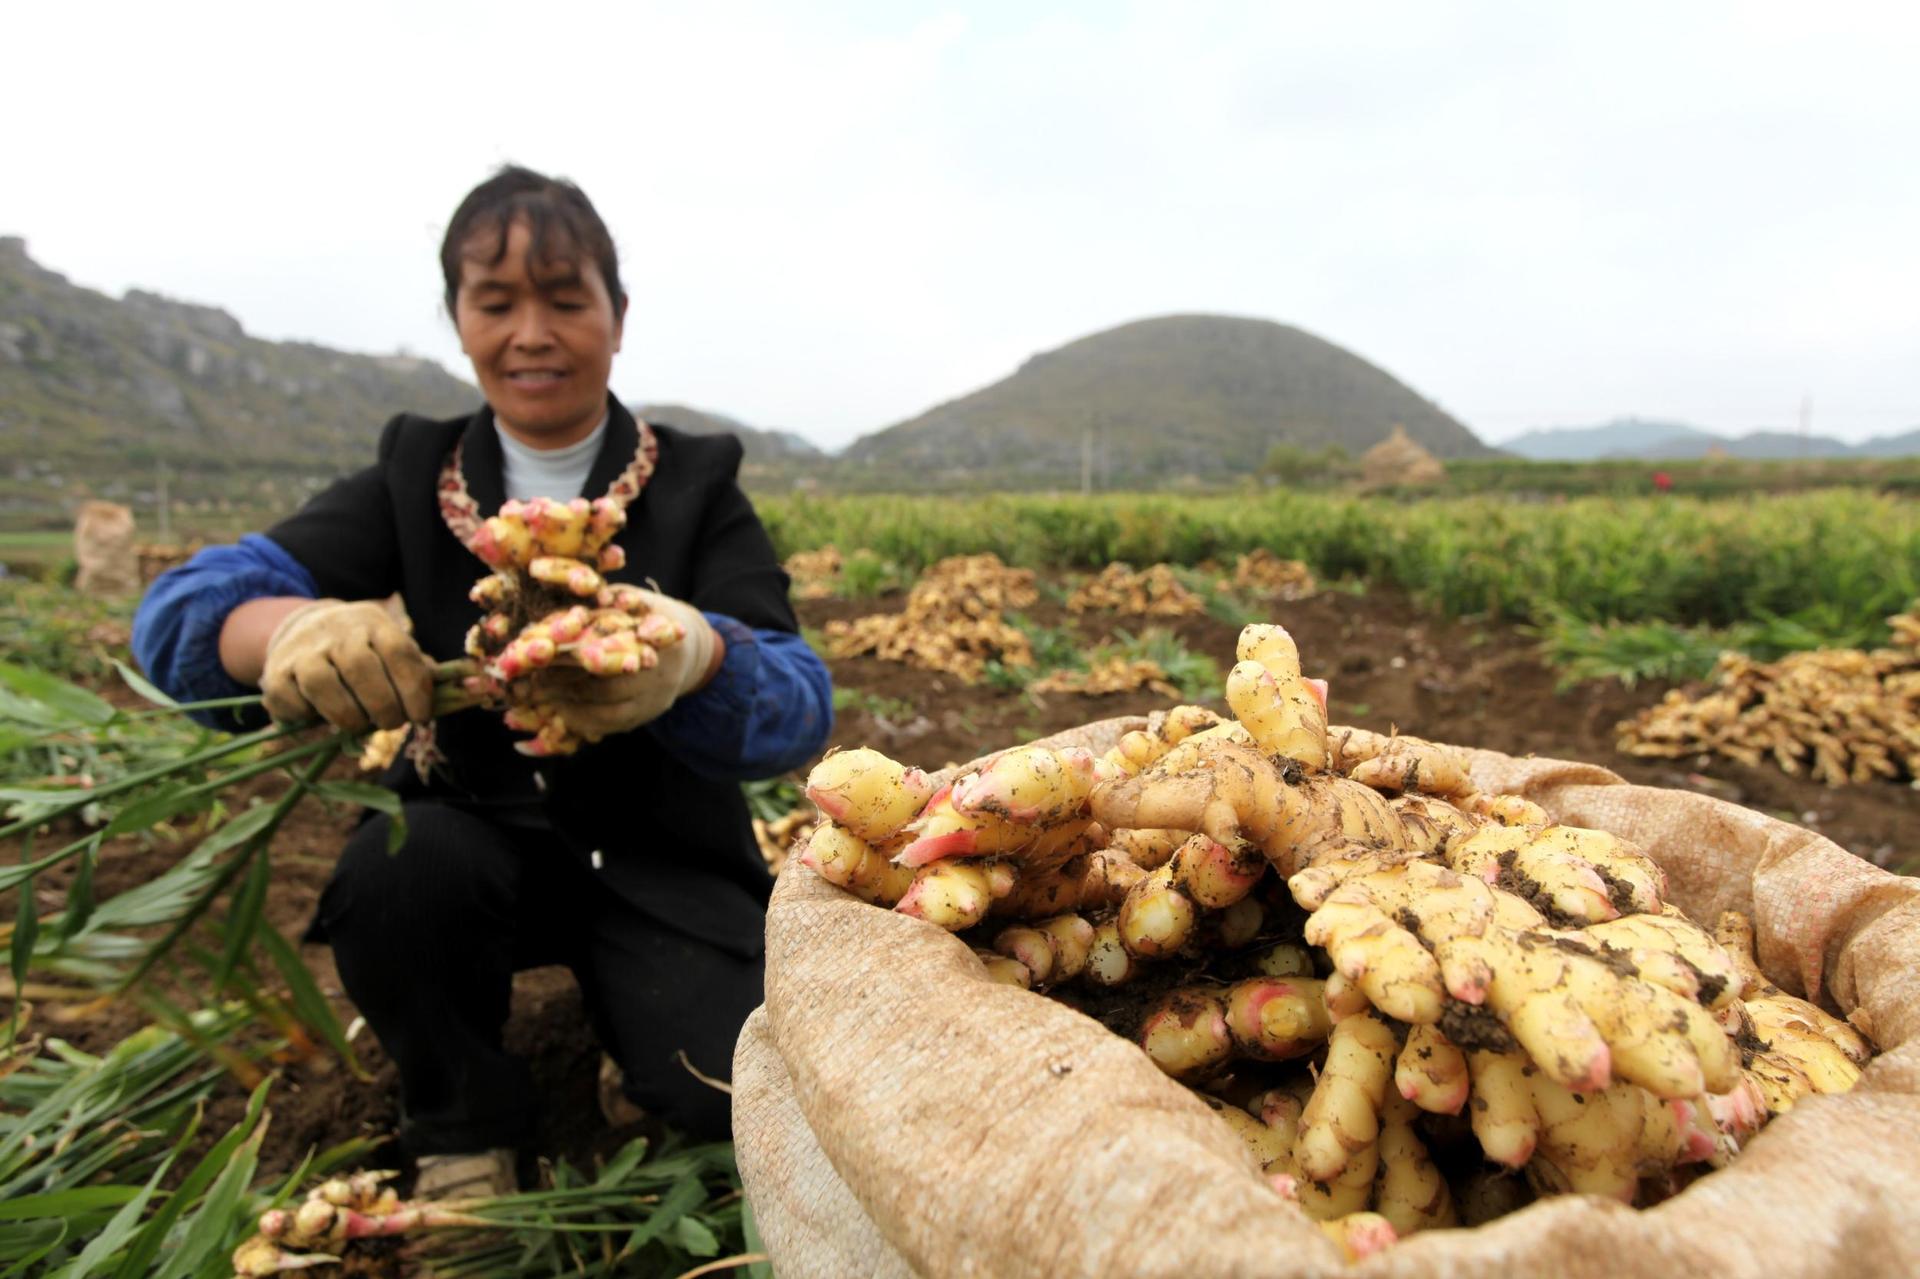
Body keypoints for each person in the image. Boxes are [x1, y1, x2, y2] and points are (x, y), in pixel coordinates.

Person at [132, 165, 833, 1197]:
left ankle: (637, 1053)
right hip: (469, 846)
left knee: (720, 1084)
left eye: (564, 297)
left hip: (661, 852)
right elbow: (182, 614)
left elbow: (801, 700)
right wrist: (289, 630)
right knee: (397, 874)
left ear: (618, 315)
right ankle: (460, 1123)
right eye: (496, 302)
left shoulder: (694, 484)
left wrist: (698, 656)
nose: (532, 332)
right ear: (458, 320)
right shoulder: (419, 473)